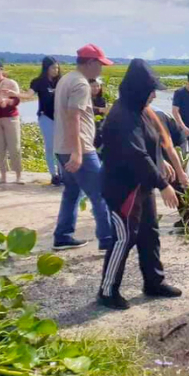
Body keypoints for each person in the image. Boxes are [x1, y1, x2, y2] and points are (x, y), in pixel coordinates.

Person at [97, 59, 184, 310]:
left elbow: (152, 143)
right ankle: (107, 290)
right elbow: (136, 154)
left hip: (141, 186)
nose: (154, 94)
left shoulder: (140, 111)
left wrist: (162, 164)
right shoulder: (122, 116)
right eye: (151, 90)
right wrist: (163, 184)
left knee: (149, 234)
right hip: (123, 189)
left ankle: (153, 282)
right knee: (124, 238)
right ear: (138, 89)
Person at [52, 44, 114, 252]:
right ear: (90, 63)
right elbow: (74, 117)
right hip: (80, 149)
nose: (101, 69)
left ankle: (62, 235)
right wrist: (78, 152)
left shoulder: (66, 79)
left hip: (62, 147)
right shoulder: (81, 84)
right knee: (101, 193)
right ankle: (107, 240)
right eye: (100, 65)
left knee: (72, 191)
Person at [28, 57, 62, 184]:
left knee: (60, 147)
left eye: (57, 68)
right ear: (46, 68)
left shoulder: (61, 81)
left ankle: (61, 173)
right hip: (46, 117)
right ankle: (54, 175)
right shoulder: (38, 82)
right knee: (50, 147)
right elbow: (28, 94)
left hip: (60, 118)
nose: (56, 70)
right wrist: (16, 94)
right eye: (53, 68)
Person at [89, 78, 109, 153]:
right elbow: (88, 109)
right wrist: (101, 109)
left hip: (100, 125)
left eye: (98, 86)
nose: (96, 88)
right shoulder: (84, 98)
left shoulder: (102, 99)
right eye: (93, 86)